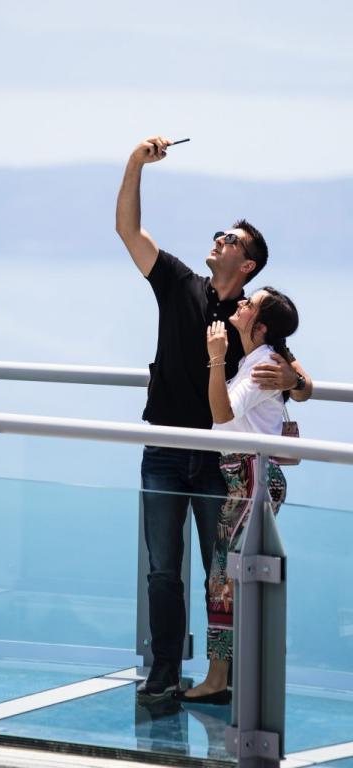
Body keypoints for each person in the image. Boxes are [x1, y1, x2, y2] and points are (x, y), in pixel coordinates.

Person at [115, 136, 312, 700]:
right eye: (220, 233)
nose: (219, 239)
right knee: (162, 568)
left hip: (220, 462)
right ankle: (164, 670)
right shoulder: (179, 283)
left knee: (219, 570)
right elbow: (129, 231)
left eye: (231, 239)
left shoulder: (252, 315)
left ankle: (224, 676)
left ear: (246, 265)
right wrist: (135, 163)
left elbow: (300, 380)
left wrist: (294, 382)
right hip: (164, 448)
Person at [177, 288, 299, 705]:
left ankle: (219, 680)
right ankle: (234, 675)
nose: (241, 305)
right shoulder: (257, 360)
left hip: (250, 478)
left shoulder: (262, 364)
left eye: (251, 305)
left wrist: (216, 357)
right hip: (246, 477)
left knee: (224, 580)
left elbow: (222, 413)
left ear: (260, 326)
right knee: (232, 578)